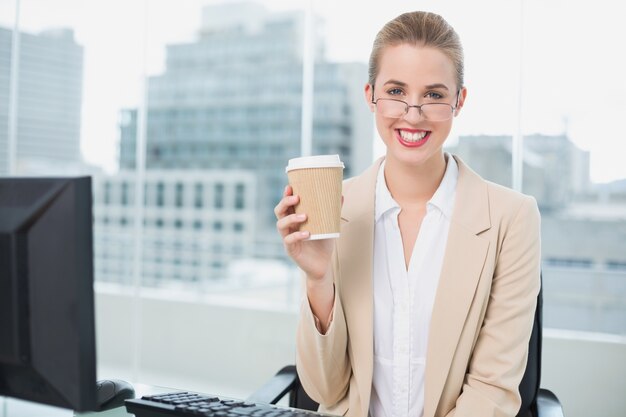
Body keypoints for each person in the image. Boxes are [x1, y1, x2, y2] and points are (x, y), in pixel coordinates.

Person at [274, 11, 540, 417]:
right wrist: (318, 279)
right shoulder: (335, 210)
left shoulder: (511, 219)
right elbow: (325, 390)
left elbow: (493, 391)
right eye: (396, 91)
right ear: (370, 96)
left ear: (459, 101)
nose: (412, 114)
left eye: (434, 95)